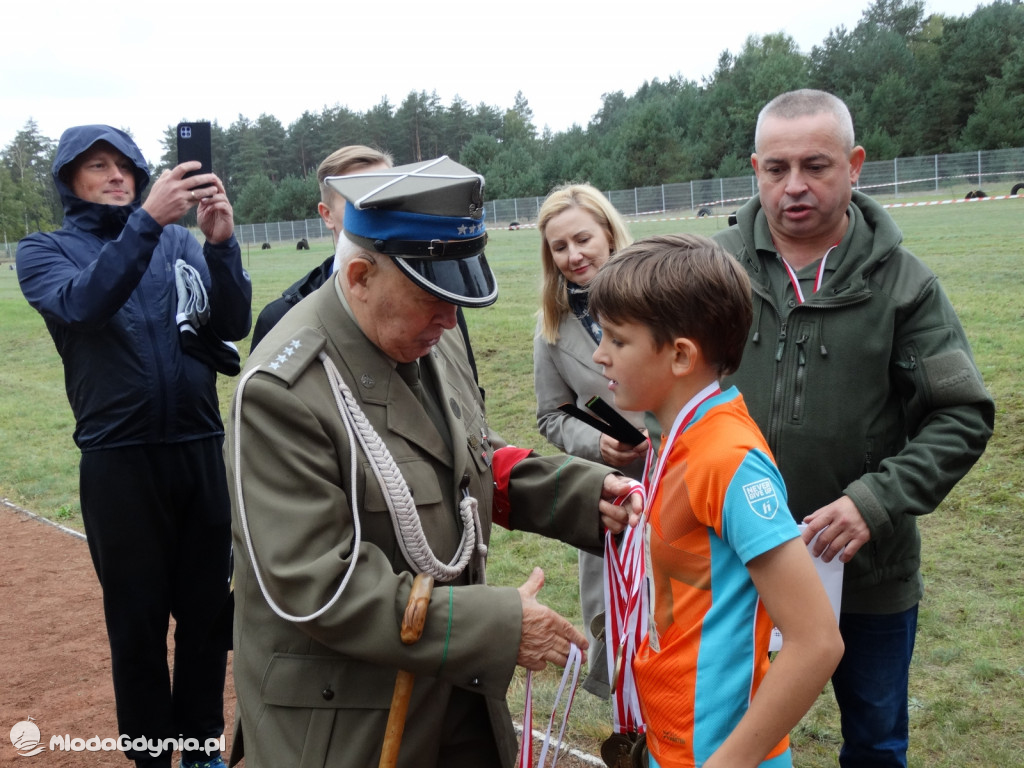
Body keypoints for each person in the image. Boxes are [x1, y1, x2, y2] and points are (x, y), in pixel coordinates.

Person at [225, 156, 641, 768]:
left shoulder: (424, 330)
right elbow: (317, 585)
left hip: (451, 695)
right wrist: (496, 627)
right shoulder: (281, 392)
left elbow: (469, 456)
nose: (452, 320)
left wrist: (582, 493)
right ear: (361, 275)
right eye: (432, 299)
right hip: (352, 721)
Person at [713, 89, 995, 767]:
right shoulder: (713, 270)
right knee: (728, 739)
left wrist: (875, 502)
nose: (795, 186)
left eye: (817, 165)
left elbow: (962, 414)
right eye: (776, 169)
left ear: (856, 164)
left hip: (867, 576)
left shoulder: (905, 285)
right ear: (755, 169)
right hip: (737, 570)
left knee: (874, 742)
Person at [16, 125, 252, 768]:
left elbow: (231, 324)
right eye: (98, 166)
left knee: (207, 617)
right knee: (138, 623)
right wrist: (145, 223)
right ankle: (150, 754)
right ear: (70, 179)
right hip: (117, 461)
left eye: (126, 165)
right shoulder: (45, 252)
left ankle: (200, 746)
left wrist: (222, 246)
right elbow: (84, 305)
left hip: (199, 449)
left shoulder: (181, 241)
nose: (116, 175)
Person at [588, 233, 845, 768]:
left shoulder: (728, 458)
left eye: (616, 339)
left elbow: (817, 642)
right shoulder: (674, 436)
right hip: (672, 742)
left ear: (680, 355)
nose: (599, 355)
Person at [533, 183, 648, 698]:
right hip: (614, 495)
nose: (574, 255)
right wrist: (599, 446)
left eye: (583, 239)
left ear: (608, 231)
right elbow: (551, 415)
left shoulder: (663, 294)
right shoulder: (552, 327)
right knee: (618, 619)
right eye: (560, 247)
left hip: (684, 478)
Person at [248, 145, 392, 350]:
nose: (378, 212)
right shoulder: (281, 319)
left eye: (387, 199)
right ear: (327, 215)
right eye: (360, 203)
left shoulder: (430, 305)